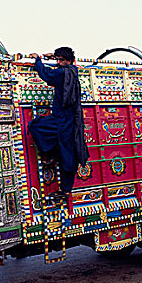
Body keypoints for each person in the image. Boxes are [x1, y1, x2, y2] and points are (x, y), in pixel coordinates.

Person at [28, 47, 89, 197]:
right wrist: (54, 58)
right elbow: (59, 68)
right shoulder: (73, 71)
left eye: (61, 60)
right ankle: (65, 188)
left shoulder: (62, 73)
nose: (58, 62)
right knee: (69, 151)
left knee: (36, 126)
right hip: (71, 119)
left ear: (68, 61)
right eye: (57, 59)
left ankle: (49, 153)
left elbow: (47, 75)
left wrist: (38, 60)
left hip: (62, 119)